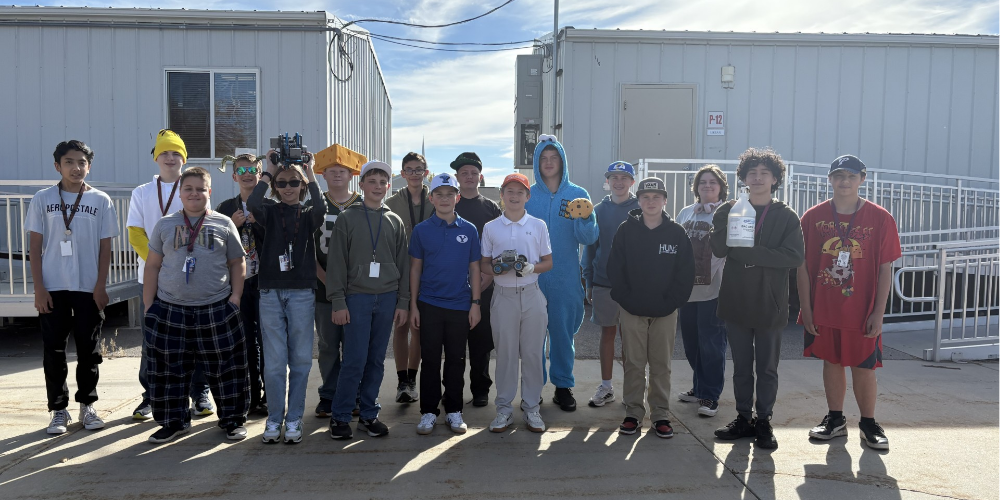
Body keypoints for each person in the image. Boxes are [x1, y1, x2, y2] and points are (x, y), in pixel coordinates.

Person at [798, 155, 900, 450]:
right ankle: (835, 418)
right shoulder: (813, 217)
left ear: (862, 180)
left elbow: (885, 268)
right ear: (830, 179)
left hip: (861, 309)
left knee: (864, 366)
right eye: (839, 176)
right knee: (831, 362)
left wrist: (878, 312)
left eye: (851, 176)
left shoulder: (880, 217)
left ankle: (868, 422)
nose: (845, 181)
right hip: (825, 307)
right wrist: (806, 308)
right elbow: (801, 266)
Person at [141, 167, 249, 443]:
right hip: (170, 308)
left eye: (200, 189)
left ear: (209, 192)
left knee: (227, 368)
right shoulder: (165, 224)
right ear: (180, 192)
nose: (194, 194)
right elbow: (152, 266)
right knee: (169, 369)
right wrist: (149, 305)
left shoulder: (223, 223)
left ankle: (233, 420)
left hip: (216, 308)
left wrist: (235, 298)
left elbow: (238, 262)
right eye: (188, 188)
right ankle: (173, 422)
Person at [710, 147, 804, 450]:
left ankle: (764, 420)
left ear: (775, 178)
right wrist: (722, 222)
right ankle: (743, 417)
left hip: (771, 304)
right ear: (744, 177)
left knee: (766, 367)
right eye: (753, 172)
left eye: (765, 173)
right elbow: (720, 249)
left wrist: (751, 254)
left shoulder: (786, 216)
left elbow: (794, 256)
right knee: (740, 366)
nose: (758, 178)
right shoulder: (730, 209)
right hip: (736, 300)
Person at [27, 140, 119, 435]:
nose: (76, 167)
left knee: (88, 350)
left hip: (88, 288)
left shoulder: (101, 201)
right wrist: (39, 288)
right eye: (69, 162)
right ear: (58, 166)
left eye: (82, 162)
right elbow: (35, 246)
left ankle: (87, 405)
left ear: (88, 166)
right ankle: (58, 409)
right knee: (53, 351)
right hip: (53, 287)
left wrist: (100, 286)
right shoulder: (42, 199)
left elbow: (106, 248)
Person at [126, 129, 212, 420]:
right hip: (152, 277)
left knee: (194, 338)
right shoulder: (142, 192)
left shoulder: (193, 188)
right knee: (153, 338)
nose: (171, 157)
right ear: (156, 158)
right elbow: (135, 232)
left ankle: (198, 393)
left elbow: (204, 229)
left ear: (184, 159)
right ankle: (150, 396)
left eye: (177, 153)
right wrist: (158, 262)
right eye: (165, 152)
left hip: (191, 279)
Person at [327, 161, 410, 440]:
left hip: (386, 298)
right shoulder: (347, 218)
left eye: (382, 182)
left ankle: (368, 414)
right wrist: (338, 301)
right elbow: (336, 263)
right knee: (354, 359)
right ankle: (340, 416)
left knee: (376, 360)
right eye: (371, 181)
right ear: (361, 185)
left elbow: (403, 264)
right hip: (357, 298)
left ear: (389, 186)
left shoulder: (394, 220)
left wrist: (403, 301)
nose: (377, 186)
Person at [248, 153, 326, 444]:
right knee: (275, 362)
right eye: (283, 183)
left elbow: (321, 207)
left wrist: (311, 172)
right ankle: (274, 419)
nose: (289, 187)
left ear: (302, 185)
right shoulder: (269, 210)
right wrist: (267, 172)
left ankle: (293, 419)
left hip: (302, 293)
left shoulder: (307, 215)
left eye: (295, 182)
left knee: (302, 360)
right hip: (269, 292)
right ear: (276, 186)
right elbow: (253, 203)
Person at [608, 177, 694, 438]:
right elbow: (615, 268)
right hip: (632, 309)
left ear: (665, 200)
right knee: (633, 363)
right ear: (639, 200)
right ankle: (633, 412)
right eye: (645, 196)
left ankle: (660, 414)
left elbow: (686, 273)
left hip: (665, 311)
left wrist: (672, 302)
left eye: (656, 197)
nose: (651, 201)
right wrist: (626, 299)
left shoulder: (677, 233)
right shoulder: (626, 230)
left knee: (660, 365)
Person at [524, 135, 599, 412]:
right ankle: (533, 388)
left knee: (562, 336)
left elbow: (588, 237)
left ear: (562, 161)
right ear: (536, 163)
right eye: (543, 158)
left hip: (566, 278)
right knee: (532, 338)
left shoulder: (577, 195)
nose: (548, 163)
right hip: (533, 278)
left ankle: (563, 386)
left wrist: (586, 219)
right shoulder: (528, 195)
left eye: (553, 158)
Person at [410, 173, 482, 435]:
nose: (444, 199)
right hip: (429, 304)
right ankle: (428, 411)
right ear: (431, 198)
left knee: (456, 359)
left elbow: (475, 269)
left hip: (460, 305)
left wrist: (475, 303)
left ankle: (454, 410)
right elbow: (415, 270)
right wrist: (414, 306)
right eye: (439, 194)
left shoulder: (469, 229)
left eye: (449, 194)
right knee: (429, 359)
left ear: (457, 197)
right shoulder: (421, 231)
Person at [480, 173, 553, 433]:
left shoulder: (538, 225)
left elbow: (548, 261)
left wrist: (532, 266)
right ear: (501, 195)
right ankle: (503, 409)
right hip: (503, 297)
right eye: (509, 191)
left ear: (527, 197)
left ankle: (532, 408)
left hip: (531, 293)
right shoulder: (491, 227)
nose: (514, 196)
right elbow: (484, 263)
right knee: (506, 354)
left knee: (533, 354)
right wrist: (494, 270)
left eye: (520, 192)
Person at [312, 145, 367, 418]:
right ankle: (329, 394)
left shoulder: (362, 204)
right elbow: (307, 250)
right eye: (331, 171)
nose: (337, 175)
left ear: (352, 174)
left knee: (355, 345)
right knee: (328, 345)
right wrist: (328, 283)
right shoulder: (314, 203)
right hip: (323, 287)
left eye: (342, 171)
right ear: (322, 174)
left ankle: (353, 393)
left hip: (357, 289)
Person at [215, 153, 272, 416]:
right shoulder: (224, 208)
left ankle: (271, 396)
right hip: (237, 284)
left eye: (253, 169)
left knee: (268, 341)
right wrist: (234, 227)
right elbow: (215, 248)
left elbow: (277, 243)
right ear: (235, 175)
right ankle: (251, 395)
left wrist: (256, 223)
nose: (248, 173)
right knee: (246, 342)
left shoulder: (271, 205)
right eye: (242, 170)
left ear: (260, 175)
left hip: (265, 282)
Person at [582, 161, 638, 407]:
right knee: (607, 333)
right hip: (604, 282)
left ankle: (633, 389)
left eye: (623, 178)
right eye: (614, 177)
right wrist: (588, 280)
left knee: (632, 338)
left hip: (635, 285)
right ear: (608, 181)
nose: (618, 182)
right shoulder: (597, 210)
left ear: (631, 182)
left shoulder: (641, 207)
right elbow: (590, 247)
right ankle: (606, 387)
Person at [675, 165, 730, 417]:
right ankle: (699, 388)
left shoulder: (728, 212)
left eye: (713, 182)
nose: (707, 186)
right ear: (696, 187)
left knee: (712, 344)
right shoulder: (686, 212)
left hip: (714, 291)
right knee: (692, 344)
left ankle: (710, 395)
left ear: (721, 187)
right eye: (702, 182)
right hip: (687, 291)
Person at [451, 152, 501, 407]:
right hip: (454, 285)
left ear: (480, 177)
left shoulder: (491, 207)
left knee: (481, 342)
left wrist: (488, 277)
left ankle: (481, 390)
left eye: (473, 173)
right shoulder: (450, 205)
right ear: (457, 177)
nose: (469, 177)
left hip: (486, 284)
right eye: (464, 173)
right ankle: (453, 391)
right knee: (455, 343)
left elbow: (498, 245)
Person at [384, 152, 431, 404]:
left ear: (426, 172)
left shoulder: (434, 200)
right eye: (409, 169)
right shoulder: (392, 202)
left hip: (428, 274)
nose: (414, 173)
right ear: (402, 174)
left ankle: (412, 378)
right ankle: (402, 380)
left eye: (419, 169)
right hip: (400, 272)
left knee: (419, 327)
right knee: (401, 325)